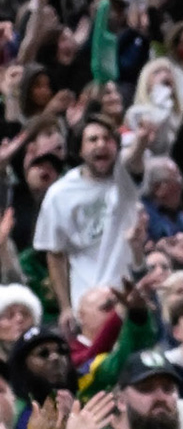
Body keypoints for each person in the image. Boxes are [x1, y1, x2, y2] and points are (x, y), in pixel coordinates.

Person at [35, 118, 145, 332]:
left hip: (130, 288)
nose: (101, 144)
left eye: (107, 139)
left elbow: (134, 160)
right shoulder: (60, 193)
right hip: (88, 293)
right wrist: (65, 307)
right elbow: (55, 253)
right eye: (93, 139)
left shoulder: (126, 180)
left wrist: (141, 141)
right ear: (80, 149)